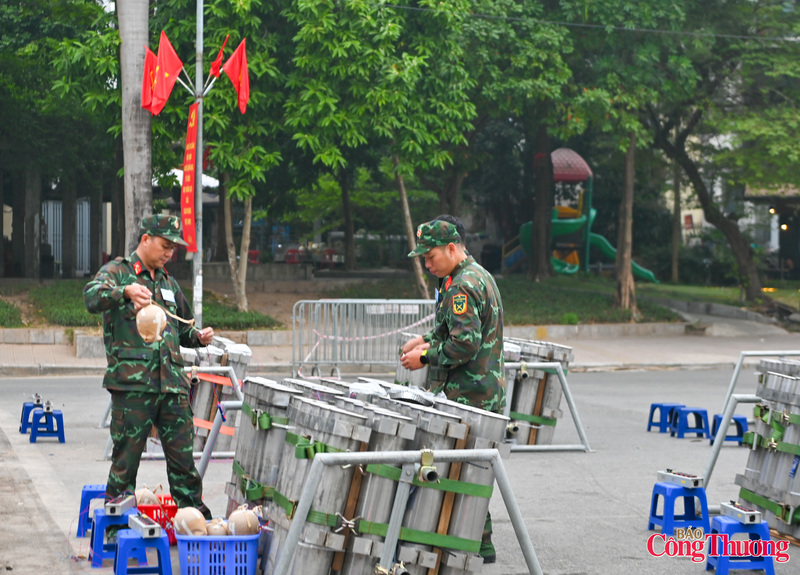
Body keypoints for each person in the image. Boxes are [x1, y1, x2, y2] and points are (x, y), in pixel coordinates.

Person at [84, 215, 215, 519]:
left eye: (173, 248)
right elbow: (91, 297)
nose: (169, 253)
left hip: (172, 386)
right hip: (133, 387)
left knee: (184, 463)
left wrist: (198, 337)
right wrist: (124, 292)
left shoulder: (167, 282)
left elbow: (182, 328)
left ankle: (194, 522)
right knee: (126, 462)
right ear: (146, 239)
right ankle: (117, 525)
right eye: (165, 245)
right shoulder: (119, 272)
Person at [399, 218, 505, 562]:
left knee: (465, 471)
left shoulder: (462, 286)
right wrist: (424, 339)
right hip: (479, 391)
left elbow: (464, 344)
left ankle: (476, 544)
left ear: (450, 248)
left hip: (470, 394)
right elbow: (452, 329)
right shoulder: (473, 275)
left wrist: (424, 356)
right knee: (470, 469)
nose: (427, 265)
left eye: (430, 257)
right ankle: (479, 542)